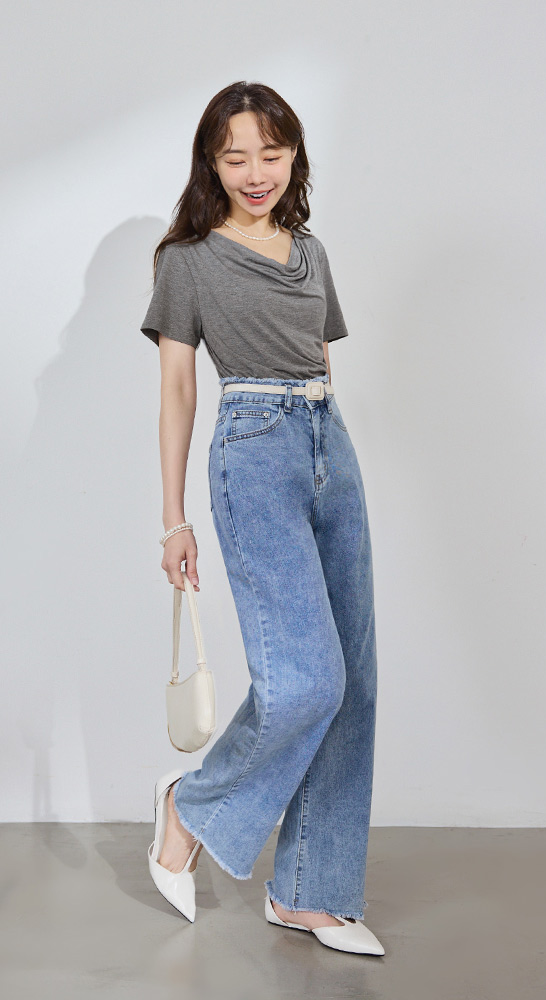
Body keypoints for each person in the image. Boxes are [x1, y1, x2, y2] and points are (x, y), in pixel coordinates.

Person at [140, 81, 384, 957]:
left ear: (294, 157)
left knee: (351, 682)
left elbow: (319, 362)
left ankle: (311, 893)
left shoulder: (310, 251)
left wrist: (328, 448)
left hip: (330, 450)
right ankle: (191, 804)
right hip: (252, 448)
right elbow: (178, 388)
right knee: (306, 681)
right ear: (211, 163)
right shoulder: (188, 259)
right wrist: (173, 520)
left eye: (271, 155)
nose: (255, 173)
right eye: (236, 156)